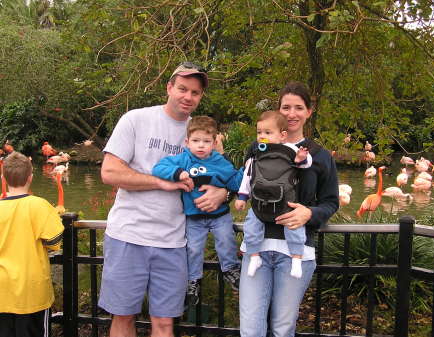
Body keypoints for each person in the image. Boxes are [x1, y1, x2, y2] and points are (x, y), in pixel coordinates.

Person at [98, 62, 228, 337]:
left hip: (174, 242)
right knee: (122, 317)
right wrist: (159, 182)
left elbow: (224, 178)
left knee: (165, 323)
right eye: (182, 88)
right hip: (128, 235)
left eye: (195, 92)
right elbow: (109, 172)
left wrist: (223, 192)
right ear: (169, 87)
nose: (187, 96)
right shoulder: (136, 119)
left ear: (200, 96)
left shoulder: (204, 135)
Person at [239, 82, 339, 337]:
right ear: (278, 110)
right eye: (286, 107)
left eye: (298, 107)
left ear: (309, 111)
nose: (291, 113)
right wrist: (221, 190)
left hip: (296, 250)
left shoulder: (319, 156)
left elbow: (331, 201)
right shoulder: (258, 148)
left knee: (283, 328)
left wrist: (309, 214)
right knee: (250, 328)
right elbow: (244, 181)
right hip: (257, 249)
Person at [152, 115, 242, 306]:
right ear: (187, 142)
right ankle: (194, 280)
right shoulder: (183, 159)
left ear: (215, 142)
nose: (201, 145)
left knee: (226, 240)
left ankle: (230, 270)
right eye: (196, 141)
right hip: (194, 218)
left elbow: (234, 181)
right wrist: (177, 173)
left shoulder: (220, 162)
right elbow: (159, 167)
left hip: (220, 215)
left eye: (206, 141)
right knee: (193, 249)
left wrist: (248, 169)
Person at [234, 111, 312, 278]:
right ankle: (254, 256)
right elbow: (248, 176)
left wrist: (301, 158)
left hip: (286, 203)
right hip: (259, 202)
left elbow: (305, 164)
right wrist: (242, 197)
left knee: (294, 226)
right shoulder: (256, 154)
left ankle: (296, 258)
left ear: (282, 135)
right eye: (259, 132)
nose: (262, 136)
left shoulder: (290, 150)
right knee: (251, 225)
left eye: (268, 133)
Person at [0, 152, 64, 337]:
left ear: (3, 178)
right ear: (31, 177)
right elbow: (54, 240)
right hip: (31, 291)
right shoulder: (38, 205)